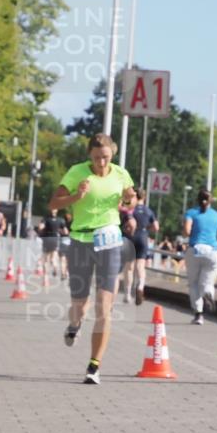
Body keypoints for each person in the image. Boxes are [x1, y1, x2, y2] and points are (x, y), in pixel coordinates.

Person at [49, 133, 135, 385]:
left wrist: (130, 201)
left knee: (104, 305)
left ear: (113, 154)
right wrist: (77, 196)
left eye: (105, 158)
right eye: (97, 158)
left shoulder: (120, 174)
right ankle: (74, 325)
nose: (100, 163)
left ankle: (94, 365)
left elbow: (131, 197)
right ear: (90, 155)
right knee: (79, 304)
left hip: (109, 240)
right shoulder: (76, 173)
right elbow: (54, 202)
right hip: (80, 240)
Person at [182, 188, 217, 325]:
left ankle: (198, 314)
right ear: (210, 201)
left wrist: (190, 233)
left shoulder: (191, 213)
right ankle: (208, 292)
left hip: (195, 249)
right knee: (207, 282)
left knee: (194, 284)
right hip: (212, 251)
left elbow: (186, 231)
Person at [122, 188, 158, 305]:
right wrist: (147, 228)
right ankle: (140, 286)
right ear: (145, 197)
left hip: (131, 237)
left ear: (135, 197)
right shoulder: (149, 211)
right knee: (140, 266)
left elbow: (125, 223)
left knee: (129, 267)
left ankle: (127, 294)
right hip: (143, 236)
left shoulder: (131, 210)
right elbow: (156, 227)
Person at [37, 209, 67, 278]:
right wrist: (60, 231)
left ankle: (45, 275)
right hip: (55, 239)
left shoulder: (45, 219)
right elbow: (65, 231)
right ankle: (55, 268)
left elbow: (40, 227)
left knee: (46, 257)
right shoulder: (60, 220)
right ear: (56, 211)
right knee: (54, 257)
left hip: (46, 239)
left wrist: (41, 230)